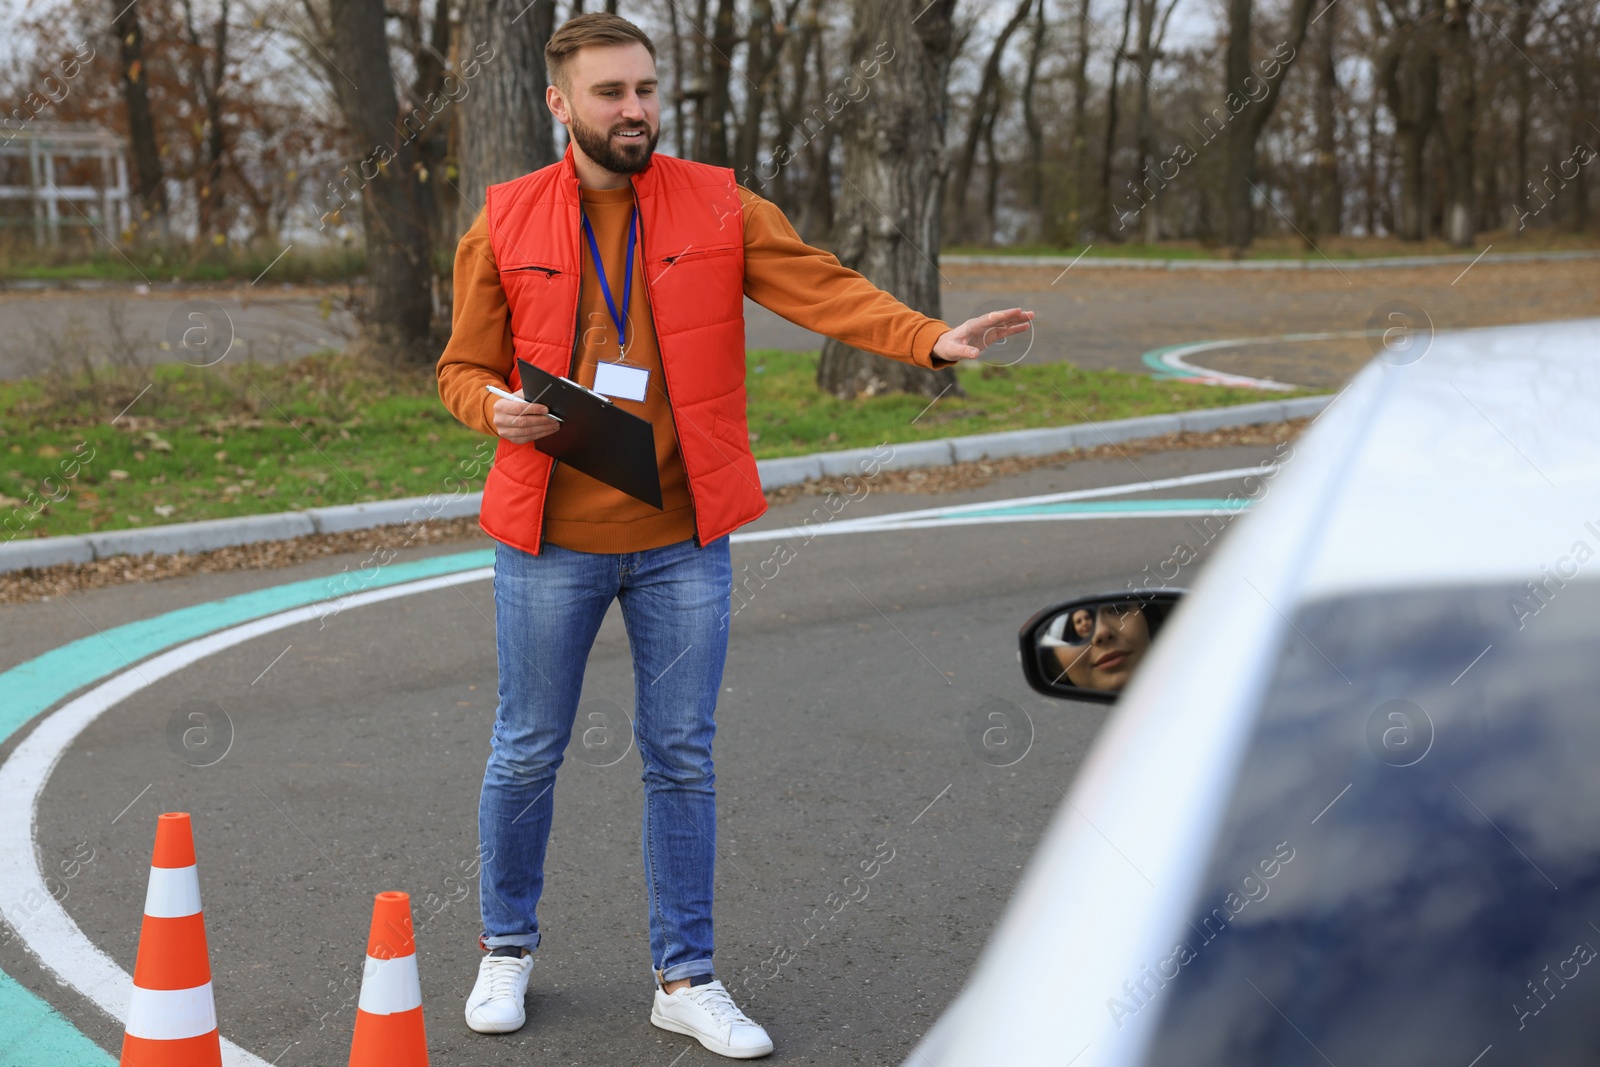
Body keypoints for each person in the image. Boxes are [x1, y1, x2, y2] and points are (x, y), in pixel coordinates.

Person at [434, 12, 1033, 1061]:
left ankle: (685, 974)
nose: (636, 109)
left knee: (681, 757)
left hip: (684, 539)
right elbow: (458, 367)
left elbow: (826, 286)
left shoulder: (717, 203)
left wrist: (928, 340)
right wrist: (494, 410)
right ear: (558, 103)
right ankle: (507, 946)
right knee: (527, 748)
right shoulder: (503, 220)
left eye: (646, 89)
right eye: (612, 91)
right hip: (549, 538)